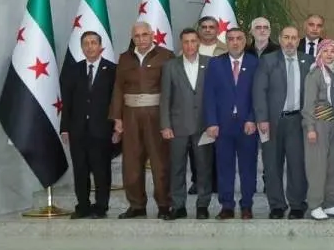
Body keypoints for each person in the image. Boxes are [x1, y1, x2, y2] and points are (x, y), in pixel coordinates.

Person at [109, 21, 175, 218]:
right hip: (130, 116)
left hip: (157, 115)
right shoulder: (125, 58)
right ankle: (137, 205)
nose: (141, 39)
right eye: (137, 36)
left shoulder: (166, 56)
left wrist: (169, 119)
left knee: (160, 162)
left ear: (152, 35)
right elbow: (118, 88)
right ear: (132, 38)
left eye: (145, 34)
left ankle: (164, 204)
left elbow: (172, 89)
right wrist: (117, 118)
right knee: (131, 163)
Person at [203, 28, 260, 220]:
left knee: (248, 168)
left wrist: (253, 118)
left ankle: (247, 205)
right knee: (224, 167)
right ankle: (226, 205)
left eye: (239, 39)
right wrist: (211, 122)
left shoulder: (255, 63)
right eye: (231, 39)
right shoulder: (215, 64)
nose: (235, 42)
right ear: (225, 42)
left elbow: (258, 95)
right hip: (222, 125)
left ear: (245, 41)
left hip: (247, 125)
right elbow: (209, 95)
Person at [61, 31, 118, 219]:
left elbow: (115, 101)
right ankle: (83, 206)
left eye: (93, 43)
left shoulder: (112, 70)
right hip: (78, 130)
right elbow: (66, 102)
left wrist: (117, 126)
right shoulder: (73, 70)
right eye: (86, 43)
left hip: (102, 129)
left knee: (101, 170)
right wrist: (64, 128)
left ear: (100, 47)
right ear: (82, 47)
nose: (90, 46)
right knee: (80, 170)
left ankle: (101, 206)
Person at [253, 25, 308, 219]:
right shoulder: (268, 60)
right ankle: (276, 205)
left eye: (294, 38)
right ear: (280, 39)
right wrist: (261, 119)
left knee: (297, 165)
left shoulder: (307, 60)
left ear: (299, 40)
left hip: (297, 121)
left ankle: (297, 205)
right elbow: (259, 91)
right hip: (272, 122)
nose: (290, 41)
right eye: (286, 37)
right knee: (272, 164)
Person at [159, 28, 211, 219]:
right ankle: (178, 206)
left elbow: (214, 97)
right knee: (177, 168)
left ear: (199, 43)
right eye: (186, 42)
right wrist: (165, 125)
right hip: (177, 127)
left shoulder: (210, 64)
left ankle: (202, 205)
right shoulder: (170, 66)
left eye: (193, 41)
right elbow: (165, 98)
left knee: (204, 168)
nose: (190, 45)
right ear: (182, 44)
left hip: (203, 126)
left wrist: (213, 123)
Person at [304, 40, 334, 219]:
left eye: (333, 52)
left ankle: (331, 203)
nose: (330, 54)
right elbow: (308, 104)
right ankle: (315, 204)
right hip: (318, 124)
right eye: (326, 51)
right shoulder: (314, 74)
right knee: (317, 166)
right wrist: (310, 128)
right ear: (320, 53)